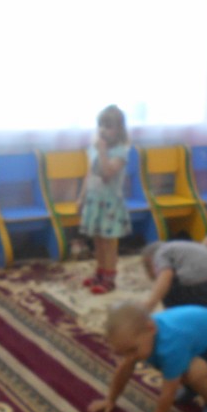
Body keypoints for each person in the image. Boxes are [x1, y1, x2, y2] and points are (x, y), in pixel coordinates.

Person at [88, 301, 207, 412]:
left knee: (192, 374)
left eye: (132, 350)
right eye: (123, 353)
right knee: (177, 368)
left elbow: (168, 392)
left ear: (152, 328)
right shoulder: (142, 336)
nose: (130, 357)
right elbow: (124, 370)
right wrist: (110, 400)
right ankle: (192, 389)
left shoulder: (170, 346)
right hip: (195, 334)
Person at [78, 105, 132, 295]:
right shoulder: (93, 149)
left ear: (119, 129)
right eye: (100, 125)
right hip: (94, 201)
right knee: (98, 240)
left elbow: (107, 173)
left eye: (108, 126)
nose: (102, 130)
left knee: (108, 243)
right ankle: (100, 272)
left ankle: (109, 278)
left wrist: (102, 151)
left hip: (109, 204)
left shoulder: (120, 152)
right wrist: (81, 197)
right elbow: (89, 174)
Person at [141, 240, 207, 310]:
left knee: (167, 287)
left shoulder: (160, 253)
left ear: (150, 260)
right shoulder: (181, 247)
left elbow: (166, 275)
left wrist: (150, 304)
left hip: (204, 285)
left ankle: (175, 320)